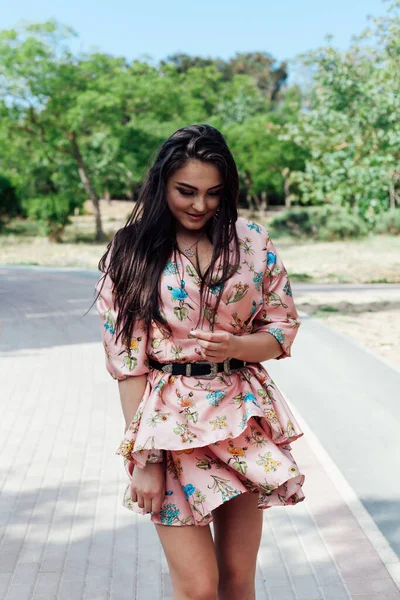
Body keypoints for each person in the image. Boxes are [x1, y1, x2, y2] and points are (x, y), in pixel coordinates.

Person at [94, 124, 305, 600]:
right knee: (197, 588)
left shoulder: (252, 240)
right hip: (168, 430)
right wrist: (142, 460)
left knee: (236, 580)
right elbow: (129, 365)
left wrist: (235, 347)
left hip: (240, 420)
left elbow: (281, 327)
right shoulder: (131, 252)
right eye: (185, 191)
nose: (199, 205)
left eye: (213, 193)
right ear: (161, 184)